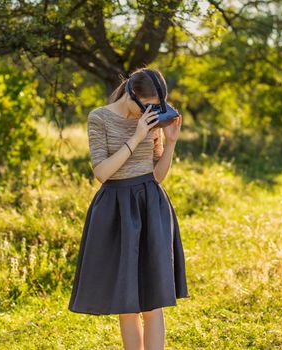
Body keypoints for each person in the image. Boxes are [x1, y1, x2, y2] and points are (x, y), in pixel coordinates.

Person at [68, 67, 189, 350]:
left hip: (151, 206)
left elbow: (155, 176)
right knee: (128, 302)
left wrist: (170, 142)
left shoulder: (152, 121)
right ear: (131, 94)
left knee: (153, 302)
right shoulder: (99, 117)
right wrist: (136, 138)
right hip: (117, 210)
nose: (152, 113)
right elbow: (102, 172)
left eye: (157, 108)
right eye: (148, 107)